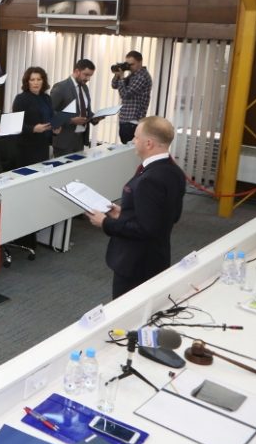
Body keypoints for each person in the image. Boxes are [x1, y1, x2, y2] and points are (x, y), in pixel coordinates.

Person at [87, 117, 185, 299]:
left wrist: (106, 223)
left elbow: (145, 229)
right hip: (156, 257)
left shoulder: (150, 179)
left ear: (149, 143)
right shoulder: (174, 171)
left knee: (126, 311)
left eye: (136, 137)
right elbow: (171, 215)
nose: (133, 140)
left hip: (136, 263)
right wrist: (124, 213)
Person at [51, 59, 99, 157]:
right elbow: (50, 113)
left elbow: (85, 111)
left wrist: (95, 117)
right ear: (77, 71)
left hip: (80, 139)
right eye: (86, 75)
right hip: (64, 141)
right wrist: (71, 120)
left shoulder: (84, 87)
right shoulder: (61, 87)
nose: (88, 79)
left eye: (90, 76)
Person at [12, 66, 55, 166]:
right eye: (32, 80)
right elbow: (16, 126)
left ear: (43, 81)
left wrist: (55, 128)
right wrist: (33, 129)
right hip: (27, 147)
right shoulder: (21, 99)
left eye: (39, 79)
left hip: (44, 145)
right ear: (27, 82)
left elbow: (50, 118)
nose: (36, 82)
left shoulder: (47, 98)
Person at [112, 50, 152, 144]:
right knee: (125, 148)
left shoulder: (142, 77)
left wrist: (122, 77)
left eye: (132, 64)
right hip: (125, 119)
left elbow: (125, 95)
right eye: (127, 64)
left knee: (130, 150)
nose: (129, 67)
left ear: (140, 62)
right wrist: (117, 75)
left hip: (133, 121)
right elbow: (114, 85)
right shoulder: (133, 75)